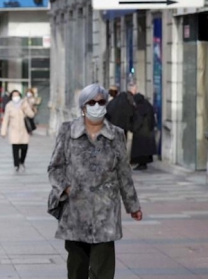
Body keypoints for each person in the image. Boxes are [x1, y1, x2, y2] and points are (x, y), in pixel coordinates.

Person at [48, 83, 142, 279]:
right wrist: (66, 189)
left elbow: (124, 172)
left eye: (101, 101)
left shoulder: (116, 134)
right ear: (83, 106)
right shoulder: (67, 131)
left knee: (103, 271)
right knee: (77, 270)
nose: (97, 105)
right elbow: (55, 168)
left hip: (105, 212)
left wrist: (132, 205)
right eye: (92, 102)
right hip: (75, 212)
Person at [0, 90, 35, 172]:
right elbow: (6, 119)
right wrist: (3, 131)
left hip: (24, 129)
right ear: (11, 97)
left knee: (24, 147)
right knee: (15, 147)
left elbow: (31, 114)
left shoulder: (24, 103)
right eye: (14, 95)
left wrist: (26, 108)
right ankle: (16, 165)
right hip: (14, 130)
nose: (16, 97)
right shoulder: (9, 105)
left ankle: (21, 161)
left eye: (17, 95)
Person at [131, 94, 157, 170]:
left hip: (141, 132)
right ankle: (143, 163)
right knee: (145, 150)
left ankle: (141, 164)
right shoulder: (148, 105)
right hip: (148, 131)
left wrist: (133, 128)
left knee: (140, 150)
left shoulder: (140, 108)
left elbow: (139, 120)